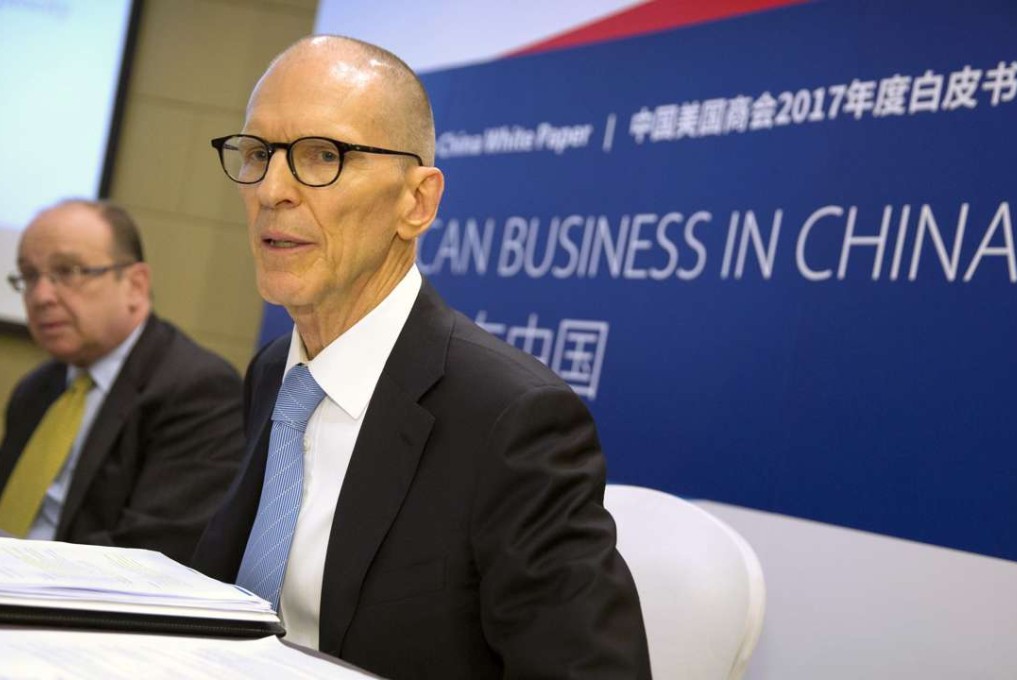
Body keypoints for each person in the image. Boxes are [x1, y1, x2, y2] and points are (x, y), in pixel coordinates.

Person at [192, 36, 650, 679]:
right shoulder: (275, 372)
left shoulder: (510, 420)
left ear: (418, 203)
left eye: (323, 156)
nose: (272, 189)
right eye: (258, 153)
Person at [0, 199, 246, 563]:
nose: (40, 297)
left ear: (135, 284)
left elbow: (150, 554)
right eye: (29, 276)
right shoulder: (36, 389)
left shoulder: (198, 390)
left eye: (68, 272)